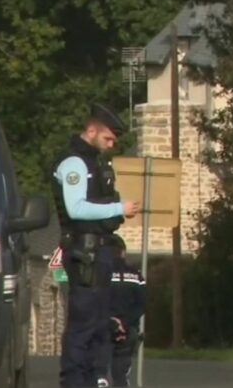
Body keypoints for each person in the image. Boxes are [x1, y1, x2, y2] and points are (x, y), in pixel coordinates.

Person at [52, 103, 141, 388]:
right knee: (84, 326)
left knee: (100, 324)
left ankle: (94, 381)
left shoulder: (96, 163)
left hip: (100, 252)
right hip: (84, 253)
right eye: (108, 138)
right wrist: (118, 207)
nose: (112, 145)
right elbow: (76, 208)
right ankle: (75, 383)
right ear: (92, 131)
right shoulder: (74, 163)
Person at [96, 235, 147, 387]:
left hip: (102, 328)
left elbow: (93, 302)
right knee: (121, 375)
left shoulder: (99, 275)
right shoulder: (137, 276)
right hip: (128, 331)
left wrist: (112, 321)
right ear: (123, 252)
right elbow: (142, 305)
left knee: (99, 372)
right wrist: (123, 323)